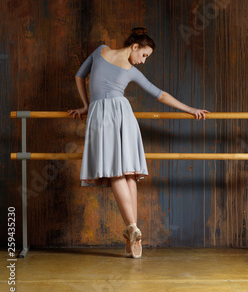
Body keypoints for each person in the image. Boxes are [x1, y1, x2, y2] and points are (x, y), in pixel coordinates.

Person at [67, 27, 210, 259]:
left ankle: (132, 230)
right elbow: (159, 94)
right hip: (121, 115)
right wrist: (190, 109)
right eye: (144, 55)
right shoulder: (130, 71)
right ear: (135, 46)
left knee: (120, 173)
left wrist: (86, 104)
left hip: (100, 115)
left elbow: (79, 75)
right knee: (126, 173)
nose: (143, 61)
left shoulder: (100, 51)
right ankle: (133, 231)